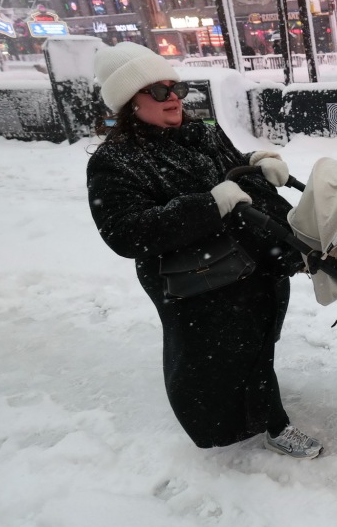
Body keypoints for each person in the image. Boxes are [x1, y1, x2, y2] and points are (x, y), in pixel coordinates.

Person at [85, 42, 322, 459]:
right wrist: (208, 206)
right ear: (129, 102)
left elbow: (229, 167)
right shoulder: (116, 160)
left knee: (255, 341)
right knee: (214, 357)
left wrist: (256, 161)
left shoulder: (200, 133)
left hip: (250, 260)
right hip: (198, 279)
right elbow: (125, 232)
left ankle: (257, 394)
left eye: (176, 88)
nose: (173, 98)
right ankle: (271, 423)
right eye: (158, 91)